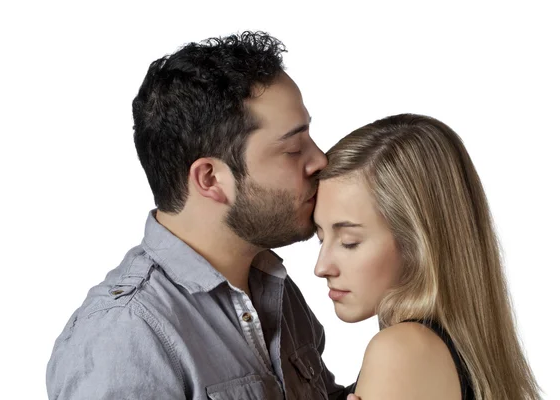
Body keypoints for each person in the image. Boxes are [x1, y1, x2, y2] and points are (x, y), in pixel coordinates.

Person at [46, 31, 355, 399]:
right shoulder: (125, 334)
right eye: (292, 148)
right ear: (210, 179)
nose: (320, 160)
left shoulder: (273, 286)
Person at [314, 114, 541, 400]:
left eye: (349, 242)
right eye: (320, 239)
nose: (321, 267)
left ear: (418, 243)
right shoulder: (453, 351)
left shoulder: (402, 349)